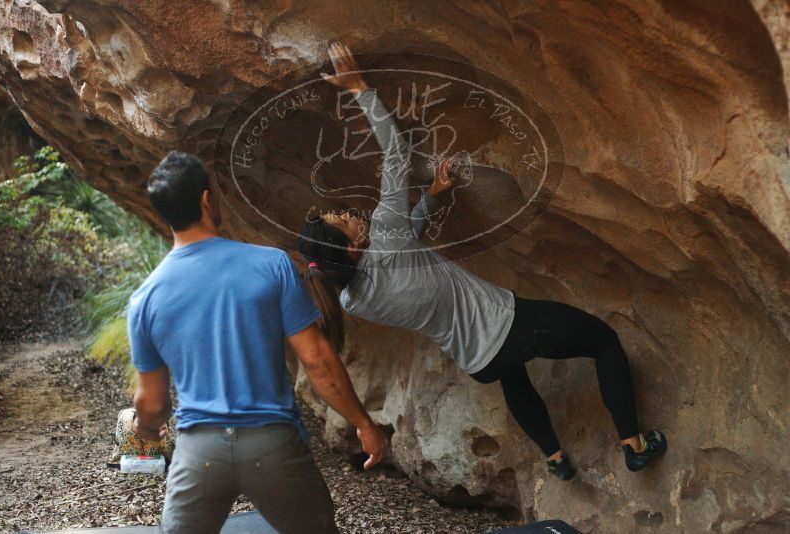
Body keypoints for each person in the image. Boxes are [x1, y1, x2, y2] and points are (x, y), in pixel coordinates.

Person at [298, 42, 666, 481]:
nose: (348, 213)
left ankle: (555, 459)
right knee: (603, 341)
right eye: (342, 220)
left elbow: (405, 255)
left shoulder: (353, 297)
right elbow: (395, 153)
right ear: (352, 247)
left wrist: (431, 199)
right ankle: (634, 445)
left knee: (515, 379)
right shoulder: (385, 228)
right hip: (505, 324)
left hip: (476, 358)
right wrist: (360, 88)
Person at [127, 150, 387, 533]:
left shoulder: (145, 299)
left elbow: (152, 404)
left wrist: (147, 430)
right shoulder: (271, 264)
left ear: (165, 215)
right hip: (273, 445)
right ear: (206, 200)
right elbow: (317, 360)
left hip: (200, 452)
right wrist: (364, 424)